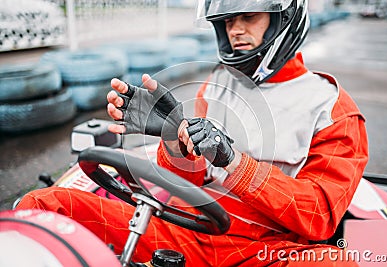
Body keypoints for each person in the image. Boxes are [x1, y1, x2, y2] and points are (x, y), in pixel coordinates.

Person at [16, 0, 368, 266]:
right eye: (228, 21)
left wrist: (233, 162)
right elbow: (185, 180)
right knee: (43, 208)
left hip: (268, 250)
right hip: (189, 230)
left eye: (248, 17)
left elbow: (320, 217)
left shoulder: (330, 106)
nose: (236, 31)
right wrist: (173, 139)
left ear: (283, 19)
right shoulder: (216, 85)